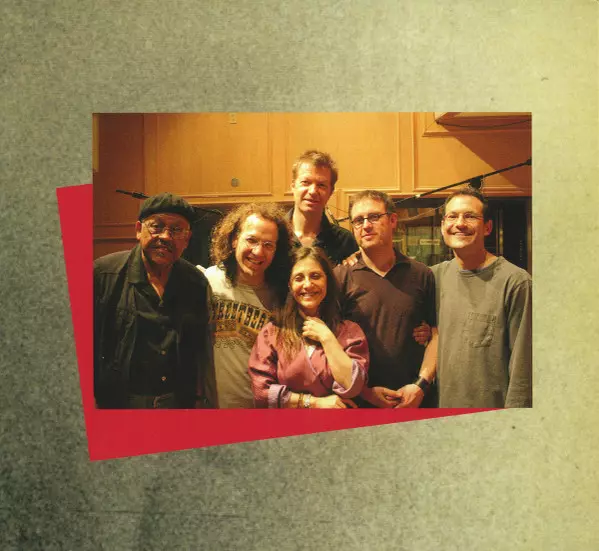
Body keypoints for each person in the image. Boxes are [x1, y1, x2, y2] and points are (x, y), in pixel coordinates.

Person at [94, 192, 216, 409]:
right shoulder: (103, 274)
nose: (166, 237)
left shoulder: (196, 283)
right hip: (119, 404)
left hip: (177, 404)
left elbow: (199, 352)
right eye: (156, 226)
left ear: (187, 239)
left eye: (176, 230)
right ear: (138, 230)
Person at [335, 190, 438, 408]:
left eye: (374, 217)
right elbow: (330, 347)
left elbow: (436, 335)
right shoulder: (340, 278)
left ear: (392, 220)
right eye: (358, 220)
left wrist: (420, 386)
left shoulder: (422, 274)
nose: (366, 225)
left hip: (414, 401)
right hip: (358, 405)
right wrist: (364, 392)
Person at [430, 187, 532, 408]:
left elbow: (524, 367)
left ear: (487, 227)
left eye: (470, 216)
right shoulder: (434, 276)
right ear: (443, 226)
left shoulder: (515, 282)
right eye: (452, 216)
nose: (460, 223)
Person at [248, 246, 369, 408]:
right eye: (299, 278)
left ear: (327, 281)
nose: (307, 284)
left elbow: (353, 386)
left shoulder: (350, 332)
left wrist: (327, 338)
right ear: (290, 285)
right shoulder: (272, 332)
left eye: (315, 276)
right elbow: (261, 393)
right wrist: (313, 402)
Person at [202, 203, 294, 408]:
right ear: (235, 240)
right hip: (211, 411)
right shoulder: (208, 281)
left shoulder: (282, 297)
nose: (258, 252)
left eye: (268, 245)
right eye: (251, 240)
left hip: (261, 411)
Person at [288, 150, 358, 265]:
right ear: (293, 186)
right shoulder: (274, 235)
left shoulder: (345, 241)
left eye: (321, 185)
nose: (313, 191)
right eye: (306, 182)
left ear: (331, 192)